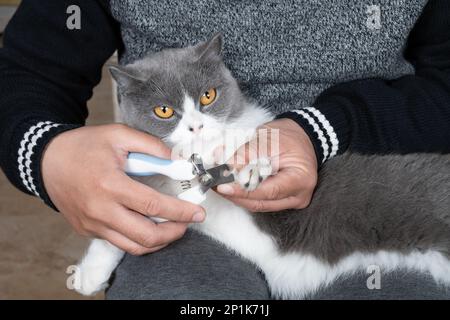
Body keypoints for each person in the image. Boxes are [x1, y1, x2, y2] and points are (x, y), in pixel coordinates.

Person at [0, 0, 449, 299]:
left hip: (373, 199)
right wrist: (46, 153)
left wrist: (322, 130)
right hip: (186, 239)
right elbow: (27, 71)